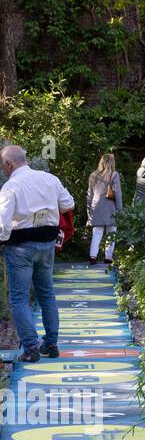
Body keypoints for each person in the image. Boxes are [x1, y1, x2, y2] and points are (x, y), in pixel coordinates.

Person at [0, 145, 74, 362]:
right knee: (46, 293)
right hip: (47, 244)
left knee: (19, 297)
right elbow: (68, 203)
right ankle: (51, 343)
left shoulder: (11, 187)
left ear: (9, 164)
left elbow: (2, 224)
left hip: (21, 246)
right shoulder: (49, 179)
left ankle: (31, 347)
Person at [86, 154, 124, 265]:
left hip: (96, 206)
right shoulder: (114, 175)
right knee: (111, 232)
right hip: (110, 207)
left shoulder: (93, 175)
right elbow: (118, 193)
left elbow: (89, 194)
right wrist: (120, 209)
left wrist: (89, 210)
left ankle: (93, 256)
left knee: (97, 232)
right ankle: (108, 257)